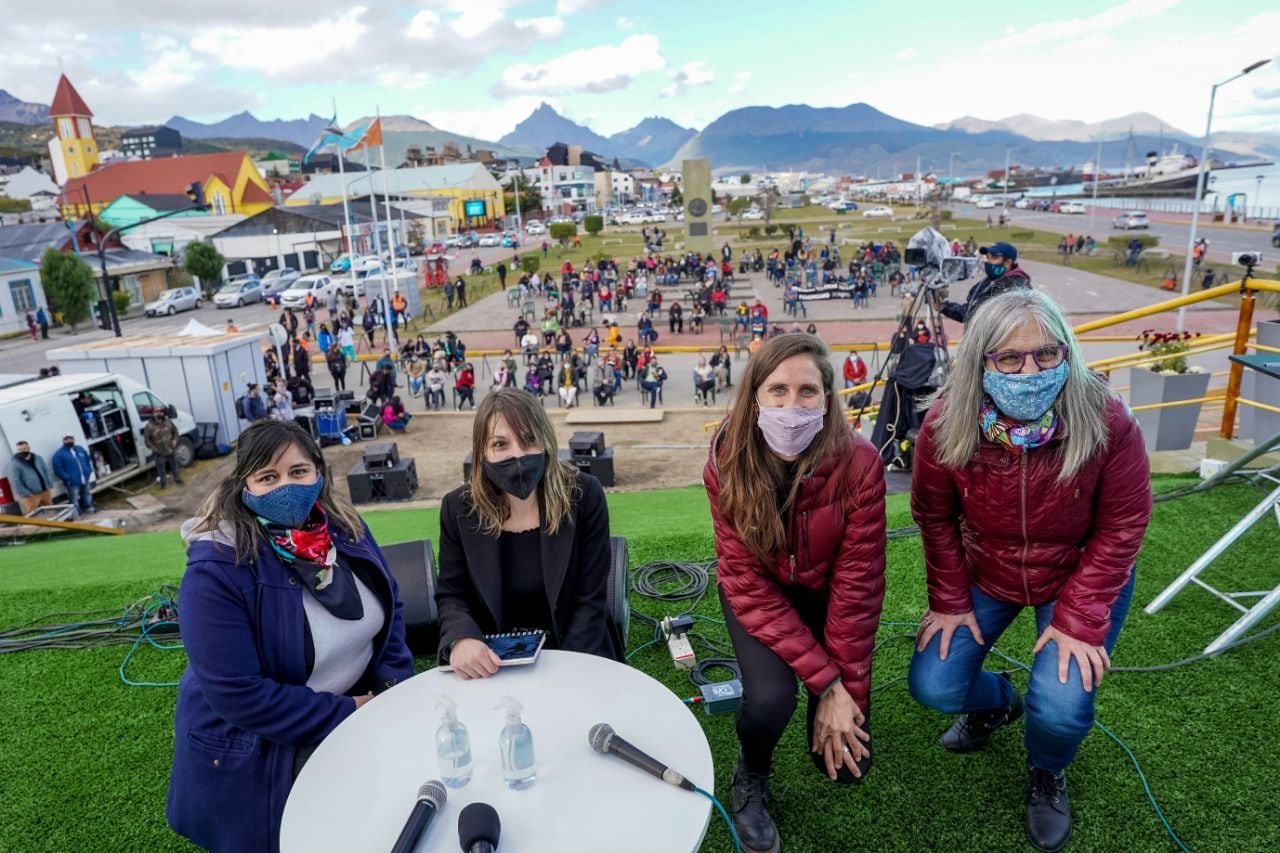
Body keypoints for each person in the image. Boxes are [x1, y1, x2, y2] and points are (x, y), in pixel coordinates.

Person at [907, 290, 1152, 853]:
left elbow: (1123, 525)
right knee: (934, 684)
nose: (1030, 370)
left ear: (1067, 352)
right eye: (1009, 358)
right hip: (986, 568)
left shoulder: (1107, 418)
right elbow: (934, 516)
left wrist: (1079, 617)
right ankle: (997, 704)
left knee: (1063, 708)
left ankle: (1048, 769)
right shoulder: (947, 421)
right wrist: (949, 599)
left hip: (1077, 572)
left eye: (1046, 354)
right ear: (980, 361)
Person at [167, 419, 414, 852]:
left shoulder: (342, 526)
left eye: (298, 472)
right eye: (268, 476)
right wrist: (351, 712)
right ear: (244, 486)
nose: (286, 486)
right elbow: (239, 695)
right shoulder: (216, 568)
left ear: (318, 472)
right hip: (264, 746)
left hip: (356, 709)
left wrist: (392, 689)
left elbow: (389, 607)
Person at [704, 333, 886, 852]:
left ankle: (830, 700)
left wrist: (845, 693)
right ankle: (751, 775)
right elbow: (747, 582)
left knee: (848, 769)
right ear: (754, 396)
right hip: (756, 592)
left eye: (807, 391)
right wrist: (826, 687)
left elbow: (858, 589)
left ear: (828, 399)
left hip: (828, 594)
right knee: (769, 699)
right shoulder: (725, 460)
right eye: (777, 390)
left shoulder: (860, 464)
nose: (791, 406)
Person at [435, 389, 620, 677]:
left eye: (529, 440)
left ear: (545, 441)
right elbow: (451, 594)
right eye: (500, 444)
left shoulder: (584, 495)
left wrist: (566, 670)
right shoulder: (457, 508)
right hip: (495, 662)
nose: (518, 455)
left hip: (578, 650)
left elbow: (590, 599)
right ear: (481, 451)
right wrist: (461, 638)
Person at [941, 242, 1031, 324]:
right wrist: (943, 306)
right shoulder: (989, 281)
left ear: (1007, 262)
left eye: (994, 258)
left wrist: (944, 307)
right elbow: (970, 309)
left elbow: (977, 316)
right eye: (987, 257)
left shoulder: (1016, 288)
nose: (988, 261)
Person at [52, 435, 96, 517]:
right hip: (71, 482)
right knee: (74, 498)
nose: (69, 441)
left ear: (74, 439)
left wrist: (88, 470)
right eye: (66, 439)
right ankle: (77, 513)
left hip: (84, 478)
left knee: (86, 493)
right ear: (63, 441)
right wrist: (67, 478)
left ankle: (88, 507)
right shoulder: (59, 454)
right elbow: (57, 468)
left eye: (71, 439)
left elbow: (87, 459)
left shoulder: (80, 449)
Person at [11, 440, 55, 515]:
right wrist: (25, 493)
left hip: (45, 491)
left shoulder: (38, 458)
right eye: (20, 450)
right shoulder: (15, 464)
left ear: (28, 448)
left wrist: (49, 483)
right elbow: (16, 481)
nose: (22, 451)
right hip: (31, 495)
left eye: (24, 449)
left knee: (51, 511)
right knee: (32, 515)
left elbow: (46, 471)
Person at [145, 409, 184, 488]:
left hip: (170, 447)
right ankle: (163, 483)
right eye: (156, 412)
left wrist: (175, 440)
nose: (159, 413)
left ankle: (177, 479)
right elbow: (147, 441)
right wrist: (154, 449)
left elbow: (175, 432)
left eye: (160, 412)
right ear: (153, 414)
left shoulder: (168, 422)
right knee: (160, 467)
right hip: (158, 451)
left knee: (174, 464)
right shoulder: (149, 426)